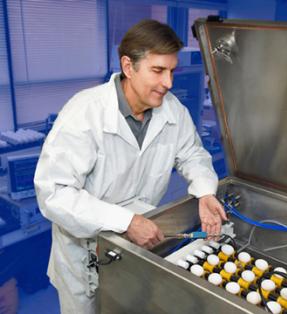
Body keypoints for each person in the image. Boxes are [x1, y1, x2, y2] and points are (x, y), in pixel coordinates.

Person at [34, 19, 227, 314]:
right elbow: (54, 193)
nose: (169, 83)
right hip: (83, 249)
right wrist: (126, 221)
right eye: (158, 71)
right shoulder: (85, 112)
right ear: (128, 66)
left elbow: (192, 155)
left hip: (137, 245)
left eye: (172, 71)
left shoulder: (172, 109)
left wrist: (204, 192)